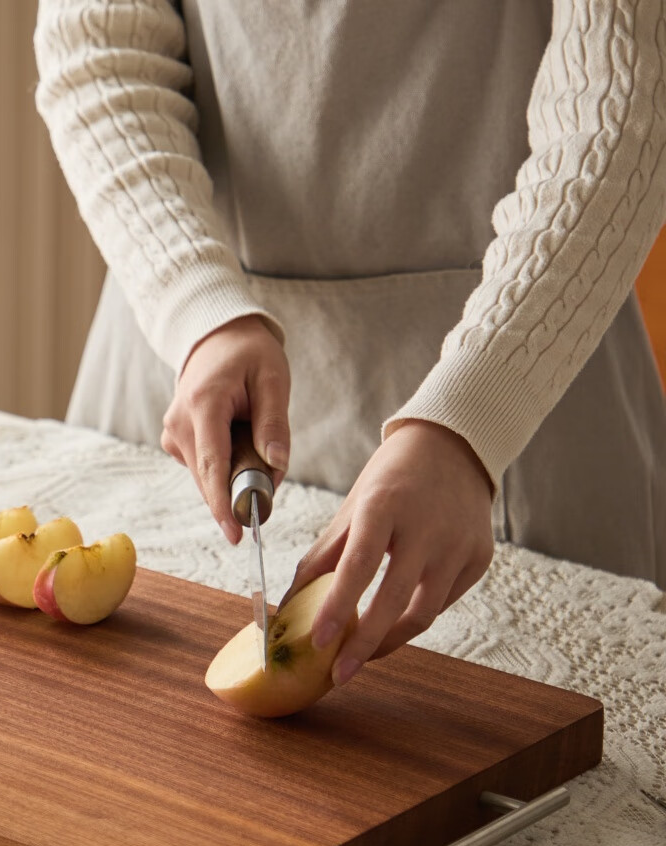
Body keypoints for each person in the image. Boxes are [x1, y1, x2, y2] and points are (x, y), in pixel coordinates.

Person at [34, 0, 666, 688]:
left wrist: (472, 418)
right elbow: (97, 52)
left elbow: (620, 104)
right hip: (180, 357)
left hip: (522, 395)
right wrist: (200, 309)